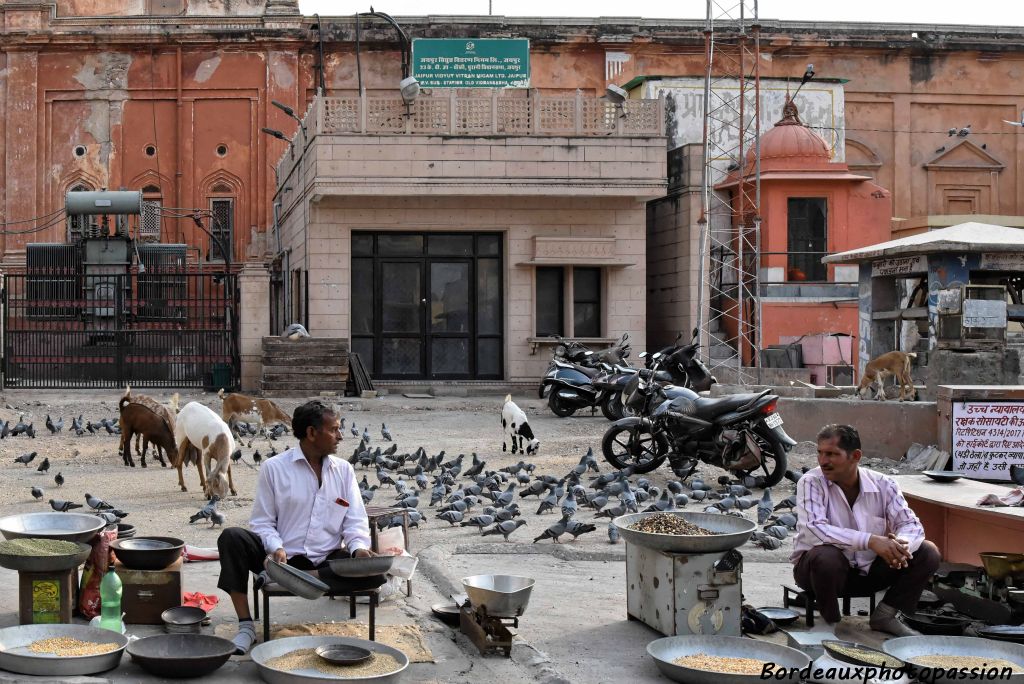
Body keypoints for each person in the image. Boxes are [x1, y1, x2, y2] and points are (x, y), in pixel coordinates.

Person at [217, 400, 387, 655]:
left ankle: (304, 580)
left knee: (378, 574)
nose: (340, 436)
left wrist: (359, 549)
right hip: (282, 559)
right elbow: (262, 522)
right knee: (231, 538)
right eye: (334, 430)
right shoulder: (274, 468)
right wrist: (276, 547)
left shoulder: (344, 470)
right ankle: (246, 626)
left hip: (327, 562)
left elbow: (355, 521)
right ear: (311, 433)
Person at [791, 423, 941, 637]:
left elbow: (911, 525)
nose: (823, 461)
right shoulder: (811, 482)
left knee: (928, 551)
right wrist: (870, 540)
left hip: (869, 573)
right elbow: (814, 530)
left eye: (832, 454)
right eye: (820, 453)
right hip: (820, 574)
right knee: (824, 555)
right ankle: (829, 623)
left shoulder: (884, 484)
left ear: (855, 456)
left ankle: (885, 615)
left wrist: (899, 546)